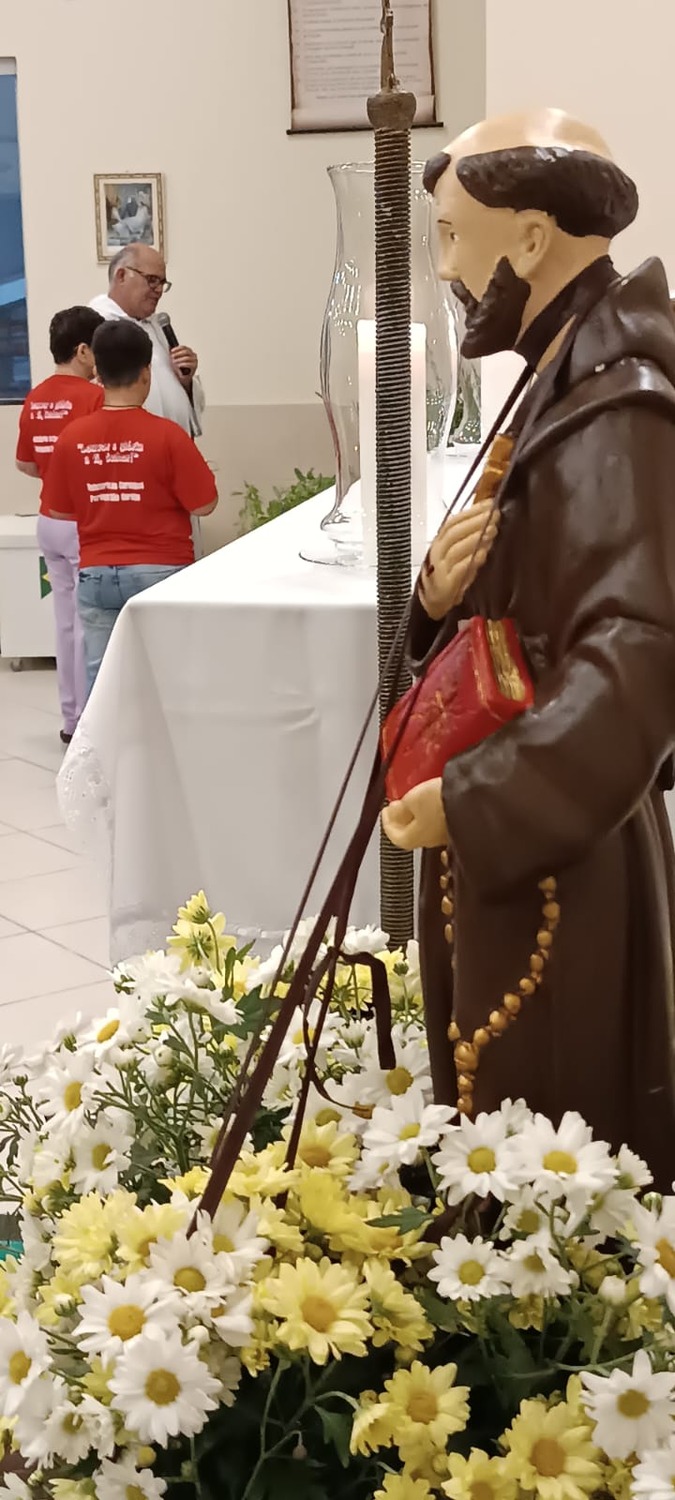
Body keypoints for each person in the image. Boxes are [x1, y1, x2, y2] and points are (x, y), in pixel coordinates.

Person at [382, 107, 675, 1187]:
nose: (446, 270)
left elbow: (636, 659)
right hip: (534, 826)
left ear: (532, 236)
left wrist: (476, 800)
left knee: (551, 1155)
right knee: (497, 1124)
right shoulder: (560, 374)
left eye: (454, 237)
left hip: (562, 855)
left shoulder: (614, 406)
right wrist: (435, 595)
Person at [43, 319, 218, 696]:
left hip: (95, 574)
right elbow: (205, 504)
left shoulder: (72, 437)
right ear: (146, 372)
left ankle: (102, 737)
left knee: (103, 681)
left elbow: (58, 510)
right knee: (168, 676)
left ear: (97, 373)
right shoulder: (168, 435)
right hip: (161, 571)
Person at [15, 305, 104, 743]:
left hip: (48, 521)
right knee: (89, 625)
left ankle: (70, 718)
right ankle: (88, 721)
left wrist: (55, 474)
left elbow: (25, 463)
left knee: (65, 623)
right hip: (82, 523)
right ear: (83, 350)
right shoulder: (93, 398)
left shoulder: (35, 397)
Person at [90, 244, 203, 437]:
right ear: (121, 276)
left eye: (162, 283)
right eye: (152, 280)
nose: (158, 290)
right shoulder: (95, 325)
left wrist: (186, 381)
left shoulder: (156, 326)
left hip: (174, 442)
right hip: (128, 444)